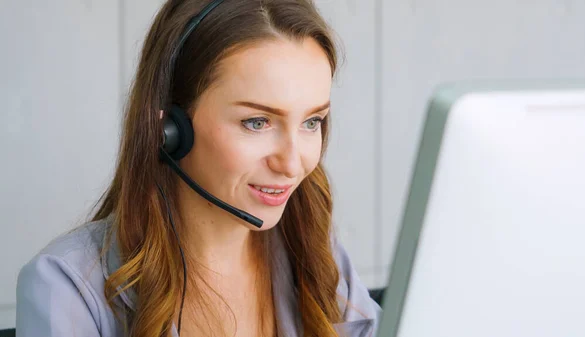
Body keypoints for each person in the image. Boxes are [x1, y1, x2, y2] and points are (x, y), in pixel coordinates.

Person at [15, 0, 381, 336]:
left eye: (312, 122)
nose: (291, 163)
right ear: (170, 129)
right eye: (257, 122)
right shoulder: (68, 287)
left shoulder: (313, 248)